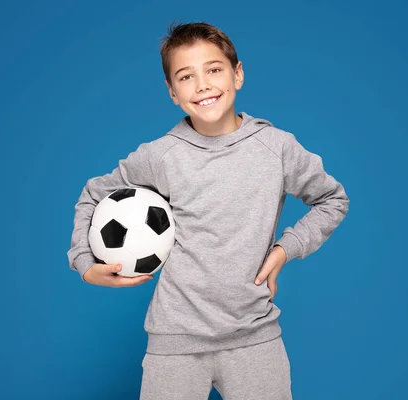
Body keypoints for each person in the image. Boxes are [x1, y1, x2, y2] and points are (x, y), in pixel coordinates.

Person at [67, 21, 350, 400]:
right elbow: (94, 193)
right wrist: (85, 263)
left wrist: (286, 249)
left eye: (214, 70)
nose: (202, 84)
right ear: (171, 92)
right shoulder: (161, 155)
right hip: (175, 341)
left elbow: (333, 200)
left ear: (238, 74)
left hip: (255, 337)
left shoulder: (276, 148)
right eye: (186, 76)